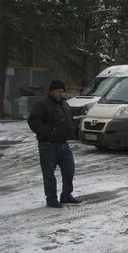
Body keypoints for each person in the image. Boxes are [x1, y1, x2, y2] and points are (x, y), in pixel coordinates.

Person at [28, 80, 82, 208]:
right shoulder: (42, 104)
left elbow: (69, 120)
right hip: (48, 145)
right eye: (58, 91)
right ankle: (51, 199)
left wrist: (72, 130)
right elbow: (33, 121)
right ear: (51, 91)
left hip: (64, 144)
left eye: (63, 91)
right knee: (49, 174)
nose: (61, 94)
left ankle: (66, 195)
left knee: (69, 171)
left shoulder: (64, 104)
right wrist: (47, 131)